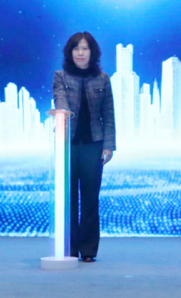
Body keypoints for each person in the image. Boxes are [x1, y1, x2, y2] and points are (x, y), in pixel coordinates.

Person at [52, 32, 116, 262]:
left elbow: (109, 113)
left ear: (92, 52)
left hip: (94, 145)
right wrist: (64, 112)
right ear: (70, 52)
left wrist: (109, 145)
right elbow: (60, 100)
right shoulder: (60, 76)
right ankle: (69, 249)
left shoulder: (103, 79)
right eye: (76, 48)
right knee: (69, 199)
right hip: (68, 144)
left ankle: (88, 251)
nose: (80, 53)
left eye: (85, 48)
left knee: (90, 199)